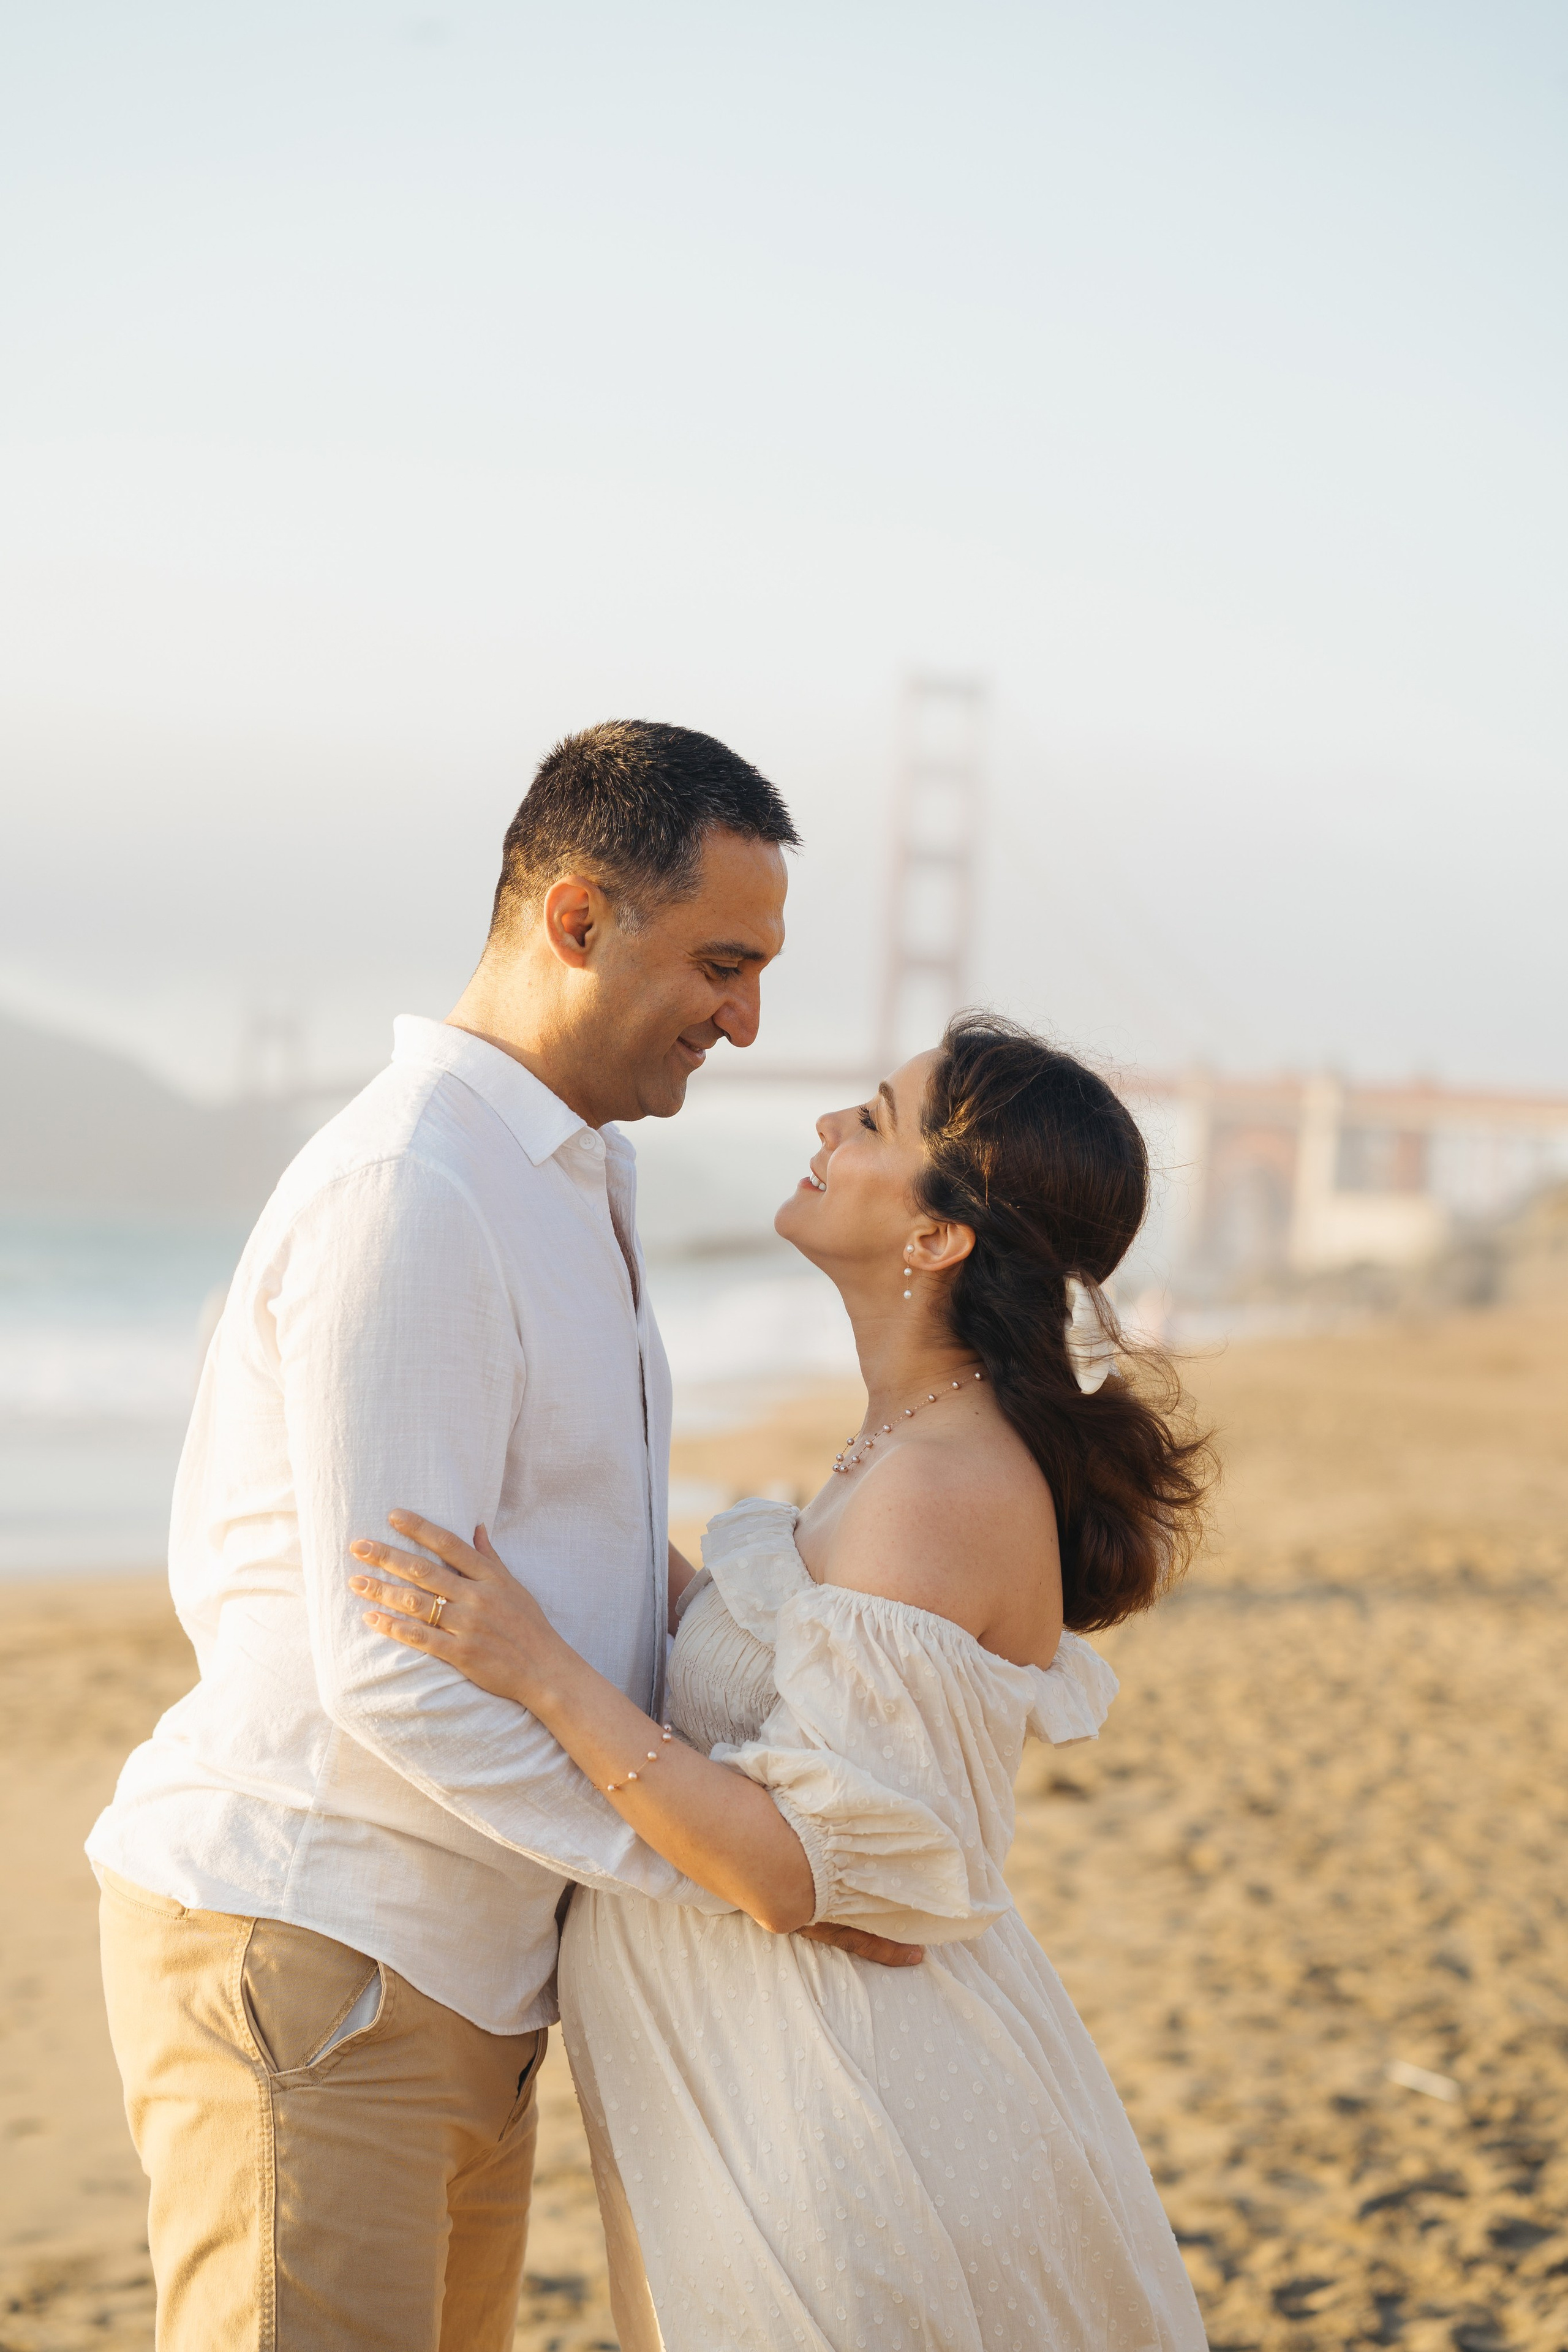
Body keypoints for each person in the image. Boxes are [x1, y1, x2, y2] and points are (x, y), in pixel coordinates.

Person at [87, 720, 914, 2352]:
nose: (749, 1022)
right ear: (576, 918)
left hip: (464, 1967)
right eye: (725, 965)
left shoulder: (567, 1173)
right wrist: (721, 1876)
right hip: (320, 1941)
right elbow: (388, 1665)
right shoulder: (415, 1187)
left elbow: (584, 1551)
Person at [349, 1011, 1217, 2351]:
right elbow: (770, 1669)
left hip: (836, 2112)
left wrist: (539, 1669)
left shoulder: (938, 1487)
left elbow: (795, 1868)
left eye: (871, 1121)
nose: (825, 1126)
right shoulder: (903, 1447)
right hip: (771, 2089)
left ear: (938, 1237)